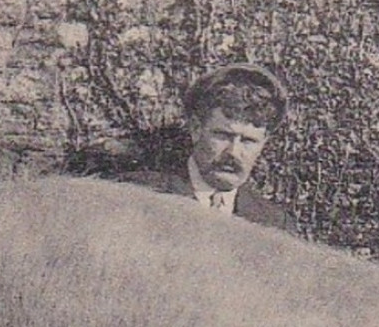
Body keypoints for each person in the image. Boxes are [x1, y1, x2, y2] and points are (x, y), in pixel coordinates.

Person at [125, 62, 298, 234]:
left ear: (264, 143)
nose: (233, 152)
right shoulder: (138, 195)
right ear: (195, 129)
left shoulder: (275, 224)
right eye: (223, 136)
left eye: (248, 141)